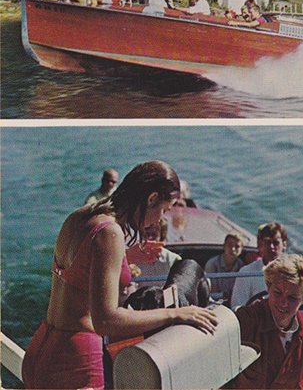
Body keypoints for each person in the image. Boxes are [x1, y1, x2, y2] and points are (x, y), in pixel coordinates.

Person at [21, 161, 218, 390]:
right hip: (75, 362)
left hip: (40, 350)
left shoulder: (83, 215)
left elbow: (79, 270)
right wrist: (175, 314)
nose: (160, 219)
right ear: (152, 198)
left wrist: (126, 257)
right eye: (164, 209)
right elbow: (106, 321)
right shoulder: (110, 232)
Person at [232, 254, 303, 389]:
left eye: (293, 297)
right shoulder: (244, 321)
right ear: (268, 287)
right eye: (277, 293)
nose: (283, 303)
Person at [230, 222, 303, 310]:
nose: (271, 247)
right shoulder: (247, 272)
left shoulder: (298, 269)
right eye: (267, 243)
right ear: (261, 244)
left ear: (284, 244)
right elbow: (237, 307)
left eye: (276, 243)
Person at [132, 218, 182, 287]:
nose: (150, 238)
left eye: (154, 235)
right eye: (146, 234)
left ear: (162, 235)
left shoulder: (173, 260)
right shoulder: (133, 260)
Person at [205, 231, 247, 301]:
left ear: (242, 250)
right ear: (224, 246)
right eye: (229, 245)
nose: (233, 249)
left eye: (237, 246)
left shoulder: (242, 267)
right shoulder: (212, 264)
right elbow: (212, 290)